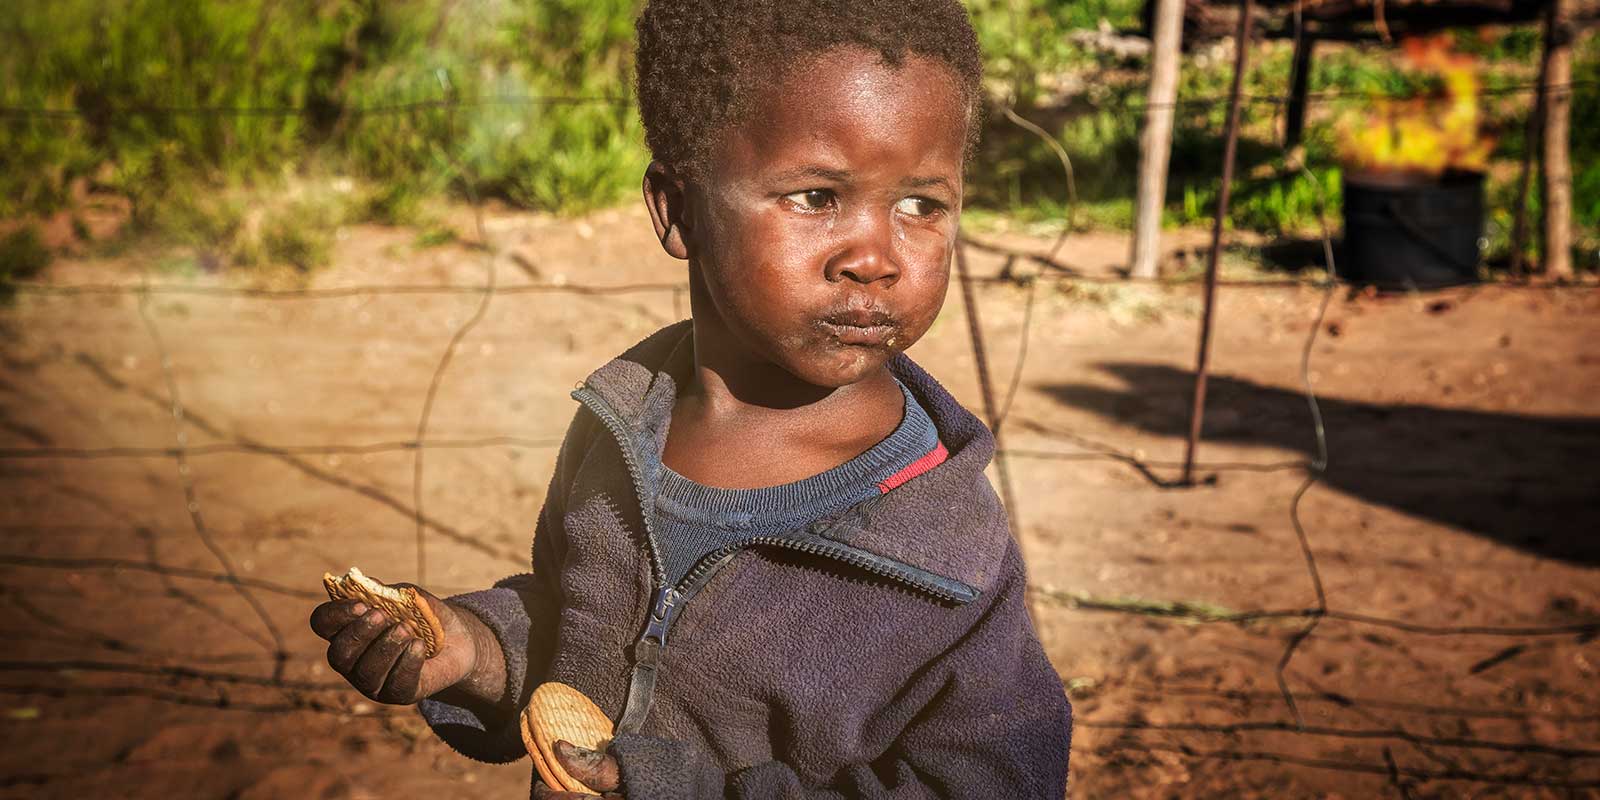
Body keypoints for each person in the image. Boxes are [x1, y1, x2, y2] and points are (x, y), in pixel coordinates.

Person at [309, 1, 1072, 796]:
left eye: (921, 204)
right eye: (817, 196)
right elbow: (586, 638)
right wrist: (468, 649)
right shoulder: (622, 429)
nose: (876, 257)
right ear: (678, 209)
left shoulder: (941, 549)